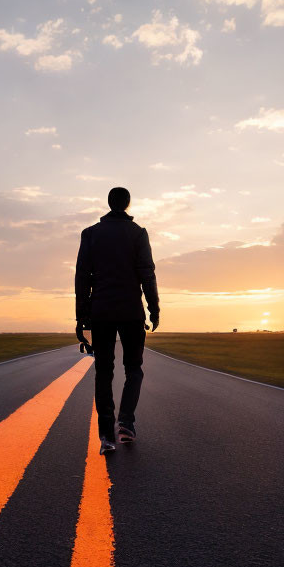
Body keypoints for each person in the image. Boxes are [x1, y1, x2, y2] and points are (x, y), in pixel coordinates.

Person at [75, 187, 159, 454]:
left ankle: (106, 435)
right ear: (128, 204)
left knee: (104, 371)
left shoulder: (90, 234)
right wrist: (154, 307)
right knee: (134, 369)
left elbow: (81, 278)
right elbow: (148, 273)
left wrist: (81, 318)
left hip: (100, 313)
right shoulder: (138, 234)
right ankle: (126, 422)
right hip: (132, 312)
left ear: (109, 204)